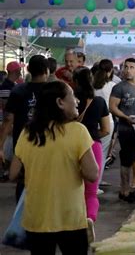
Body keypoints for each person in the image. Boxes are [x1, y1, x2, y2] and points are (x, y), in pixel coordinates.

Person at [9, 81, 98, 255]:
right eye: (72, 95)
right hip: (70, 217)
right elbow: (92, 174)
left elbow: (13, 174)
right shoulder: (78, 131)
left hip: (36, 218)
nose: (77, 100)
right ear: (60, 102)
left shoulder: (28, 132)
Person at [0, 55, 49, 201]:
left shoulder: (18, 91)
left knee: (23, 179)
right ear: (47, 70)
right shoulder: (54, 90)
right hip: (48, 142)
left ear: (28, 70)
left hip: (23, 142)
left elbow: (8, 119)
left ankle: (22, 214)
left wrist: (0, 146)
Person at [73, 68, 110, 222]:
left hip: (72, 146)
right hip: (93, 146)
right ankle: (89, 219)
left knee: (73, 190)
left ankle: (73, 222)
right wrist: (92, 136)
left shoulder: (71, 100)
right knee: (91, 192)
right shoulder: (99, 101)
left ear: (75, 82)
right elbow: (106, 130)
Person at [109, 58, 135, 202]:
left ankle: (133, 187)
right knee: (125, 160)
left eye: (132, 67)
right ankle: (124, 190)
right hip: (126, 129)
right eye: (126, 67)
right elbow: (112, 107)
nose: (128, 70)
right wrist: (126, 117)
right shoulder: (119, 88)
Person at [93, 59, 117, 186]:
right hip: (108, 121)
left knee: (93, 152)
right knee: (102, 154)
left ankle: (95, 181)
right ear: (111, 70)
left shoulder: (93, 85)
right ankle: (96, 183)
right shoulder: (112, 85)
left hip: (93, 121)